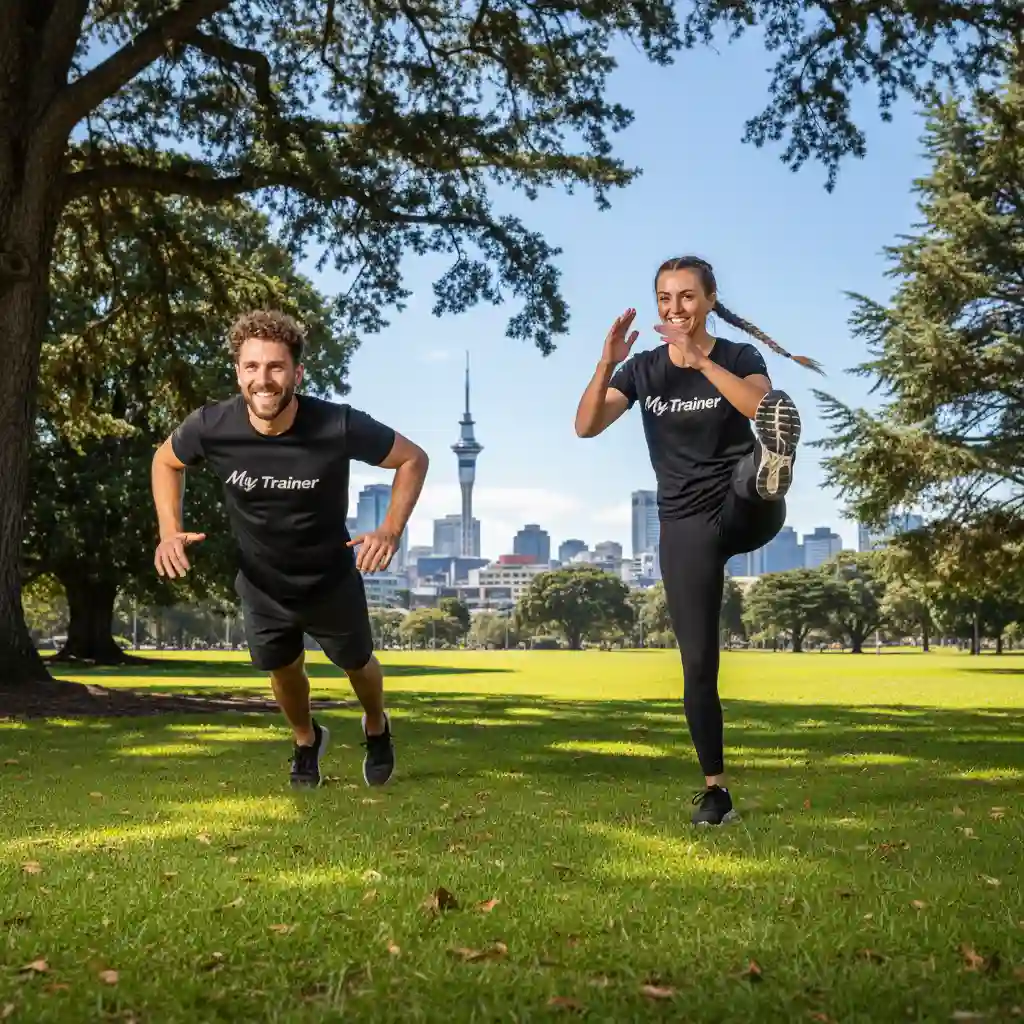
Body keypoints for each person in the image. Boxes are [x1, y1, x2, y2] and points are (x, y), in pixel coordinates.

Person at [574, 256, 823, 826]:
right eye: (666, 298)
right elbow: (586, 425)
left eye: (687, 297)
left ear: (709, 300)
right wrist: (605, 362)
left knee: (756, 468)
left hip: (743, 505)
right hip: (684, 524)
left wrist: (701, 362)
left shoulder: (739, 357)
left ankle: (770, 468)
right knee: (697, 663)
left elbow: (762, 405)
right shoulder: (642, 370)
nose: (675, 308)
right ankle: (716, 790)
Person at [150, 310, 429, 790]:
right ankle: (306, 740)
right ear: (238, 372)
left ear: (297, 374)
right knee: (283, 669)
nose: (264, 379)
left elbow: (412, 458)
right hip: (263, 584)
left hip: (330, 577)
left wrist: (389, 530)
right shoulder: (211, 426)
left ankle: (377, 726)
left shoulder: (336, 424)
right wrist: (169, 530)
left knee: (358, 664)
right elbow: (165, 459)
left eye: (276, 367)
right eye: (252, 367)